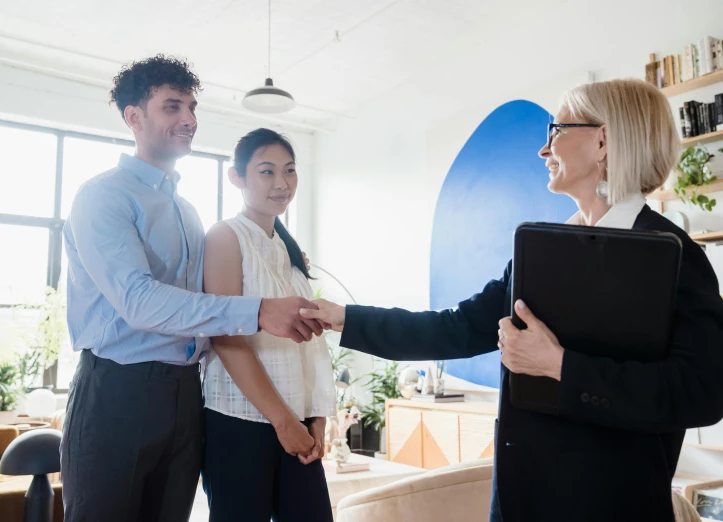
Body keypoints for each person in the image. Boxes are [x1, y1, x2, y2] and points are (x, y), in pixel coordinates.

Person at [301, 79, 723, 522]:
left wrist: (560, 365)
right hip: (522, 504)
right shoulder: (540, 250)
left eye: (555, 131)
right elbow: (456, 327)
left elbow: (700, 394)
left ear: (602, 140)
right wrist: (344, 319)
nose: (544, 150)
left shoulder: (675, 256)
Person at [60, 56, 324, 522]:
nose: (189, 119)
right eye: (172, 107)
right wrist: (259, 311)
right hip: (118, 389)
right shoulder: (104, 196)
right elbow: (139, 302)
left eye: (192, 107)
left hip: (186, 392)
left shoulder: (186, 212)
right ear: (134, 117)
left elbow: (200, 313)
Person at [201, 128, 336, 522]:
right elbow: (225, 335)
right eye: (266, 172)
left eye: (290, 171)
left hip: (297, 419)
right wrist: (282, 420)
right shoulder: (225, 236)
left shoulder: (287, 246)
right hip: (241, 421)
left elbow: (308, 343)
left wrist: (316, 418)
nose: (282, 183)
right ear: (237, 177)